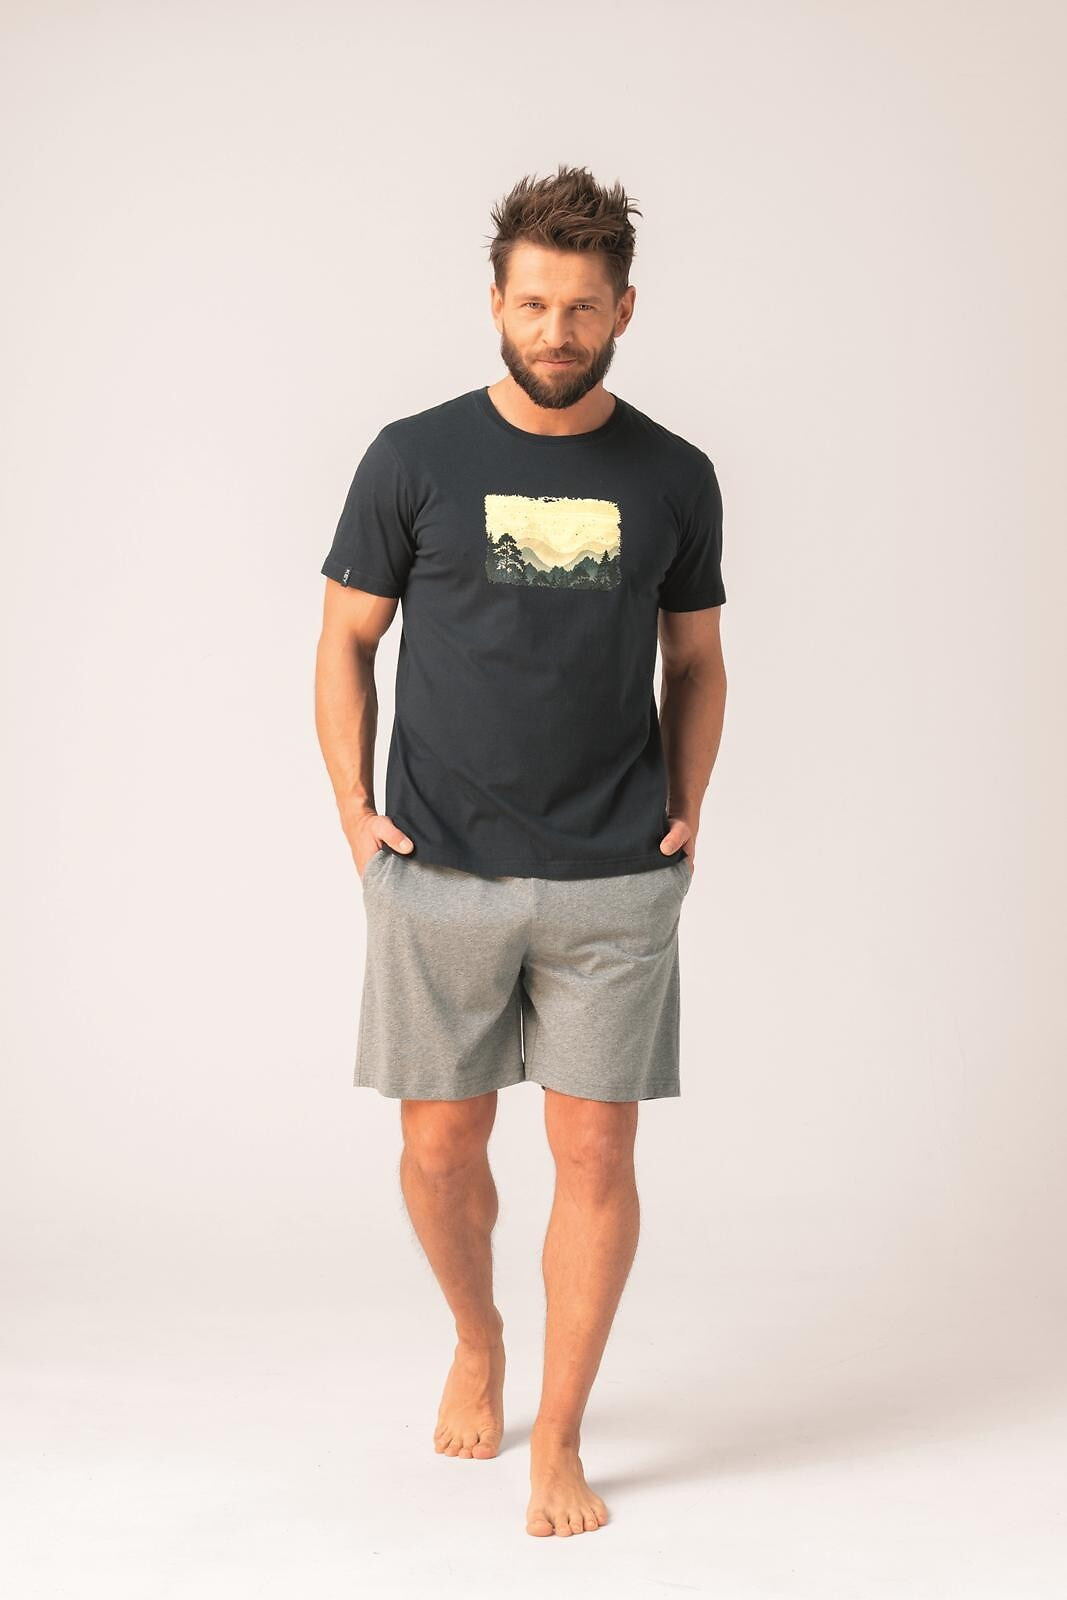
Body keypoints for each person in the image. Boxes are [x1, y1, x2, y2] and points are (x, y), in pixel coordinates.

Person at [313, 163, 728, 1538]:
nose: (558, 331)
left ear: (624, 310)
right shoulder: (413, 458)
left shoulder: (674, 475)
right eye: (535, 304)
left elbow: (697, 660)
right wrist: (354, 815)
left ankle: (561, 1435)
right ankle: (478, 1336)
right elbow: (346, 642)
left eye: (583, 308)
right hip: (439, 866)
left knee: (596, 1155)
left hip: (615, 876)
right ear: (496, 301)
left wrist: (688, 807)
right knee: (440, 1149)